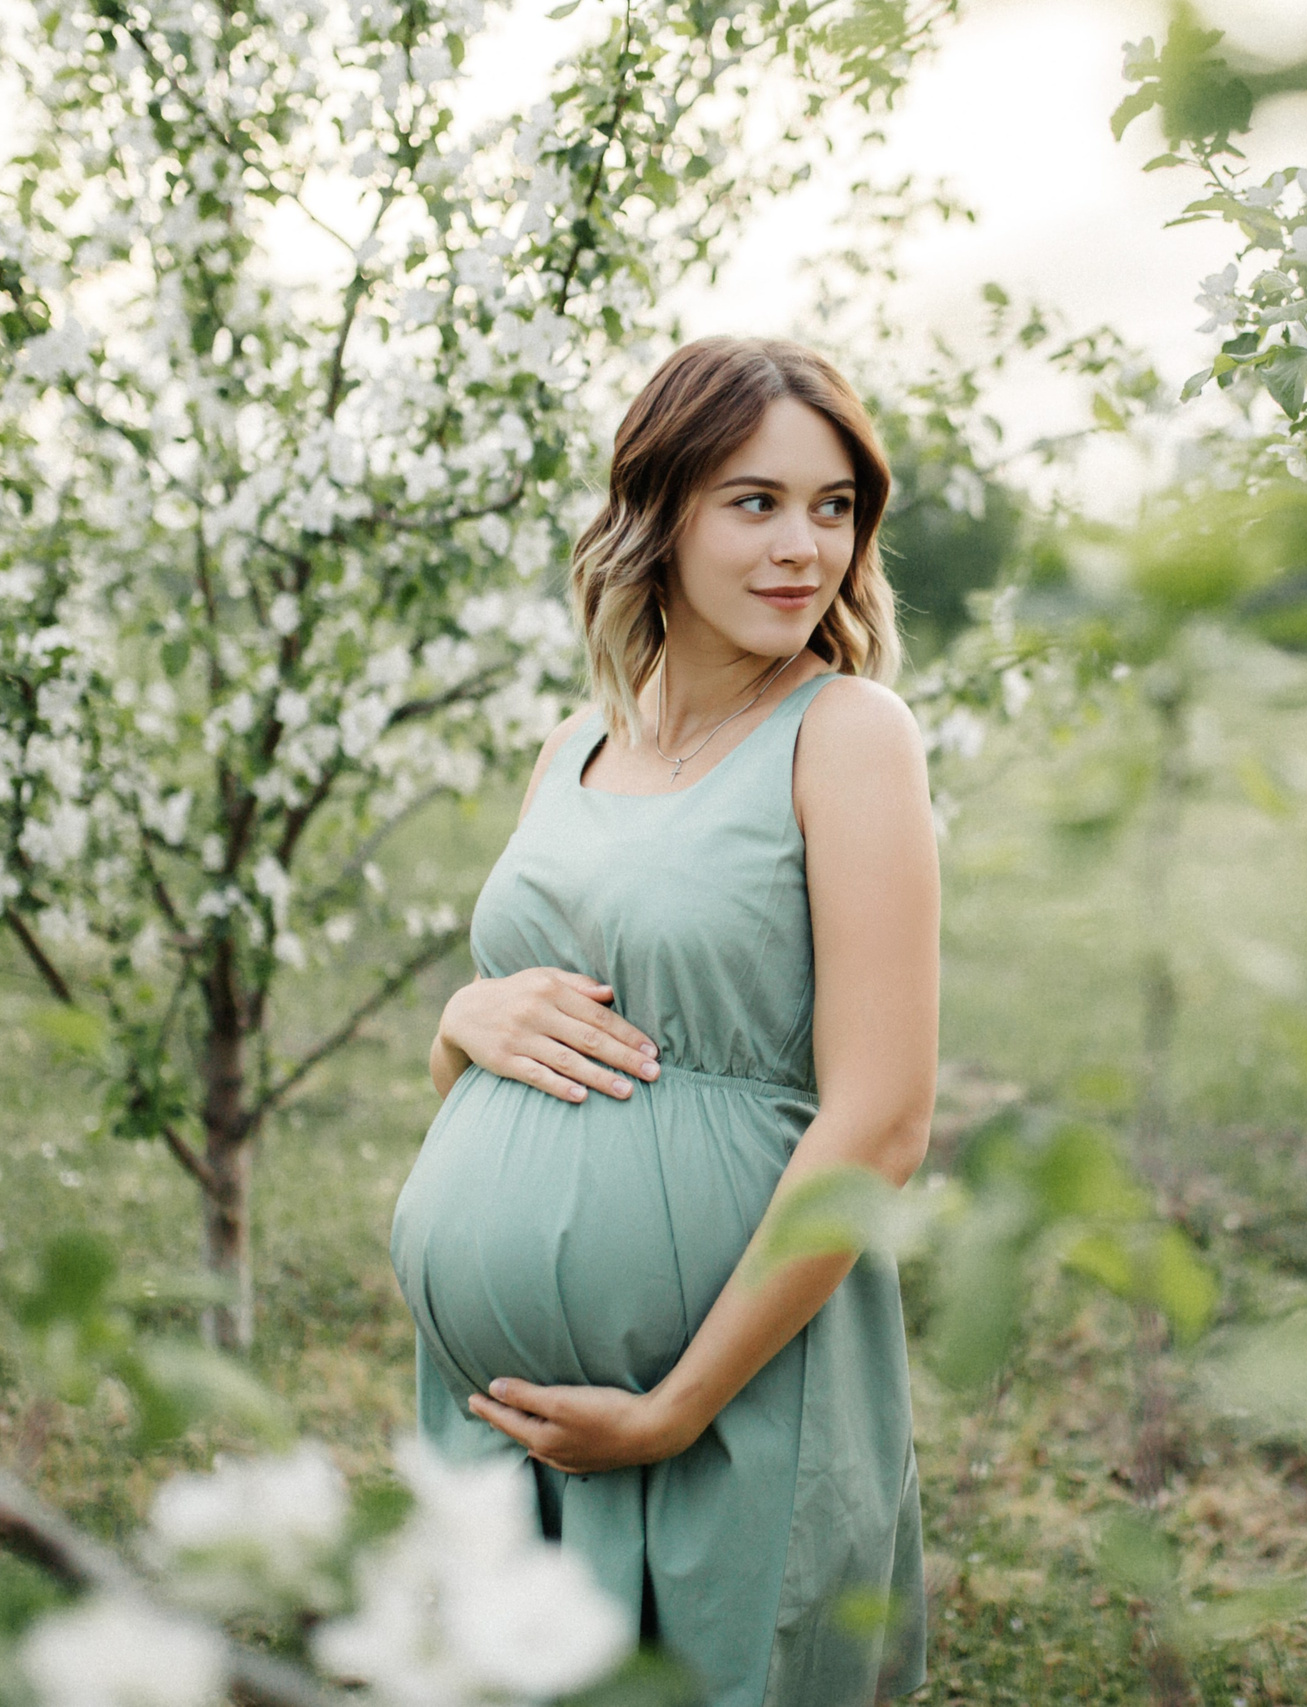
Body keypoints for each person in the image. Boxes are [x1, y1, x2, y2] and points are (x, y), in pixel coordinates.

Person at [388, 336, 937, 1705]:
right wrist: (464, 1018)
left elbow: (882, 1124)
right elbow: (502, 1067)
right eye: (755, 502)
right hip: (497, 1429)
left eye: (833, 507)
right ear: (659, 512)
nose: (803, 547)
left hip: (721, 1412)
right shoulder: (574, 748)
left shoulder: (845, 733)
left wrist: (670, 1409)